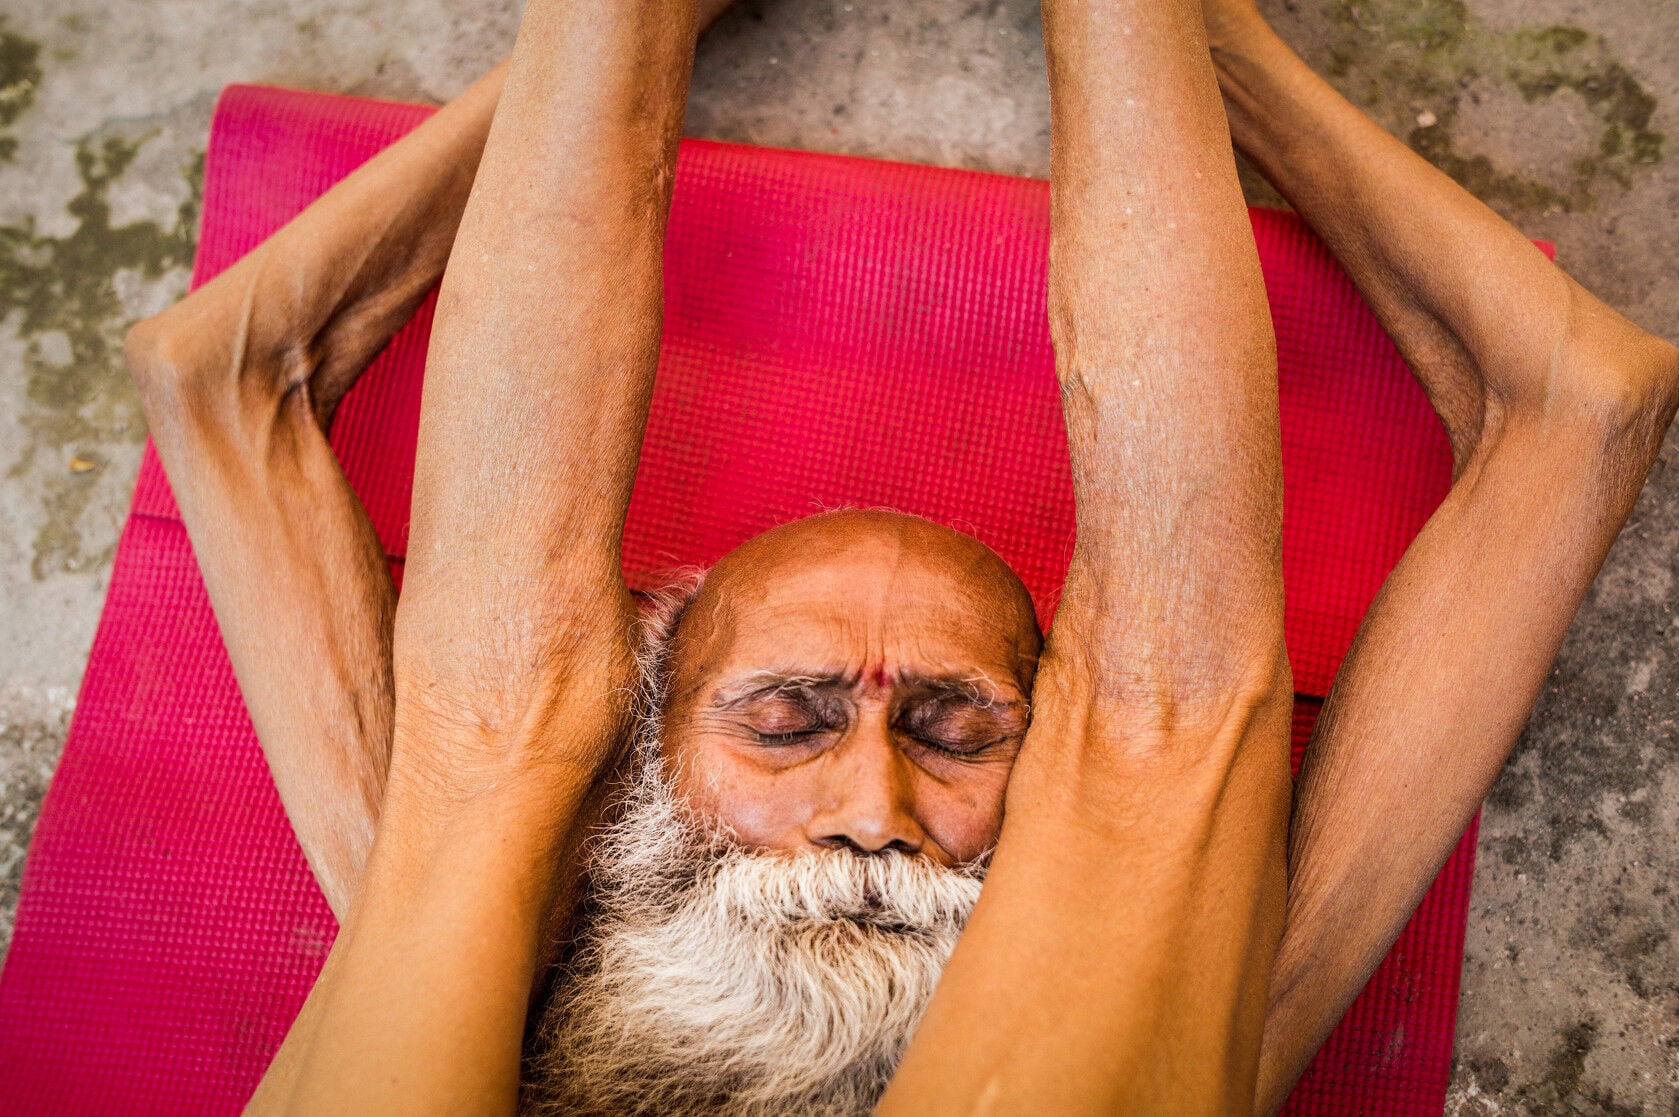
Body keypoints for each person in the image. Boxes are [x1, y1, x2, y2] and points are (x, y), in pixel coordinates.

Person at [123, 0, 1678, 1111]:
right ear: (642, 754)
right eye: (787, 717)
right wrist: (1208, 54)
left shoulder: (497, 933)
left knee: (483, 754)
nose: (870, 815)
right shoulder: (1221, 1013)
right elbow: (1583, 399)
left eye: (957, 726)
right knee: (1165, 740)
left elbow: (227, 373)